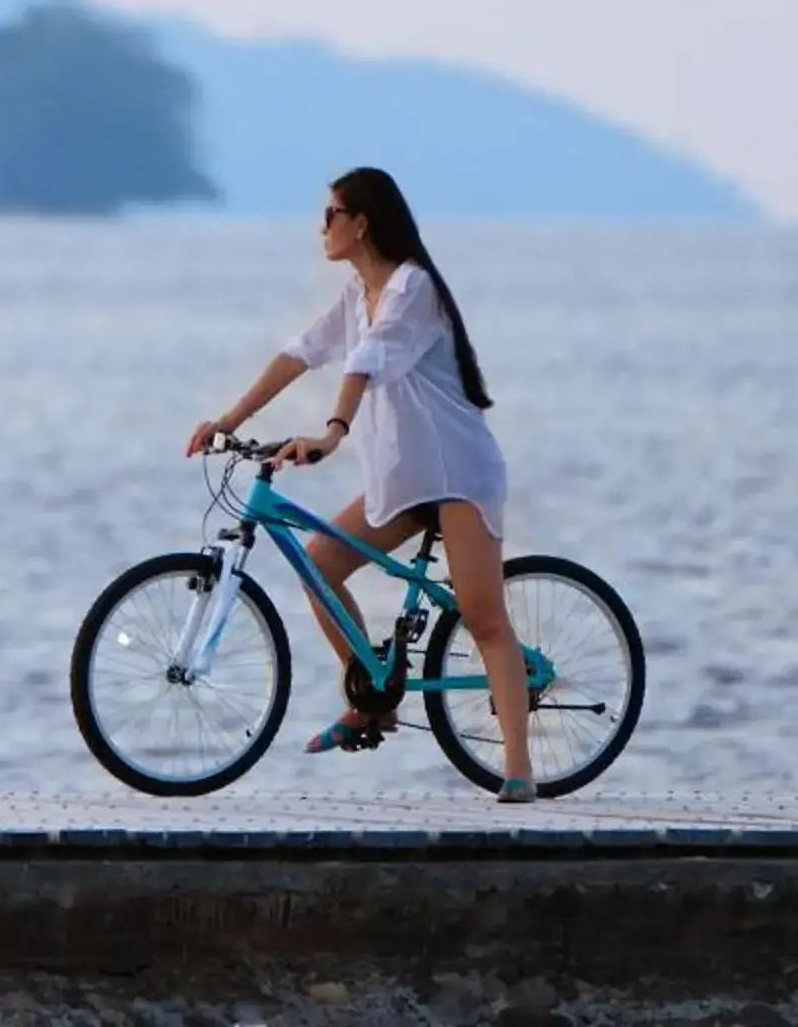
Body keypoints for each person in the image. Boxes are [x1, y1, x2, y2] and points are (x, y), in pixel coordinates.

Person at [184, 166, 537, 801]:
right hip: (403, 477)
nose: (321, 227)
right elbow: (299, 353)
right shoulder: (357, 295)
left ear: (361, 222)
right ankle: (369, 694)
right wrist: (228, 421)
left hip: (457, 474)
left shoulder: (412, 289)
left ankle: (518, 769)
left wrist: (331, 432)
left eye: (330, 215)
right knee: (319, 565)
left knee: (483, 617)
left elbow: (367, 360)